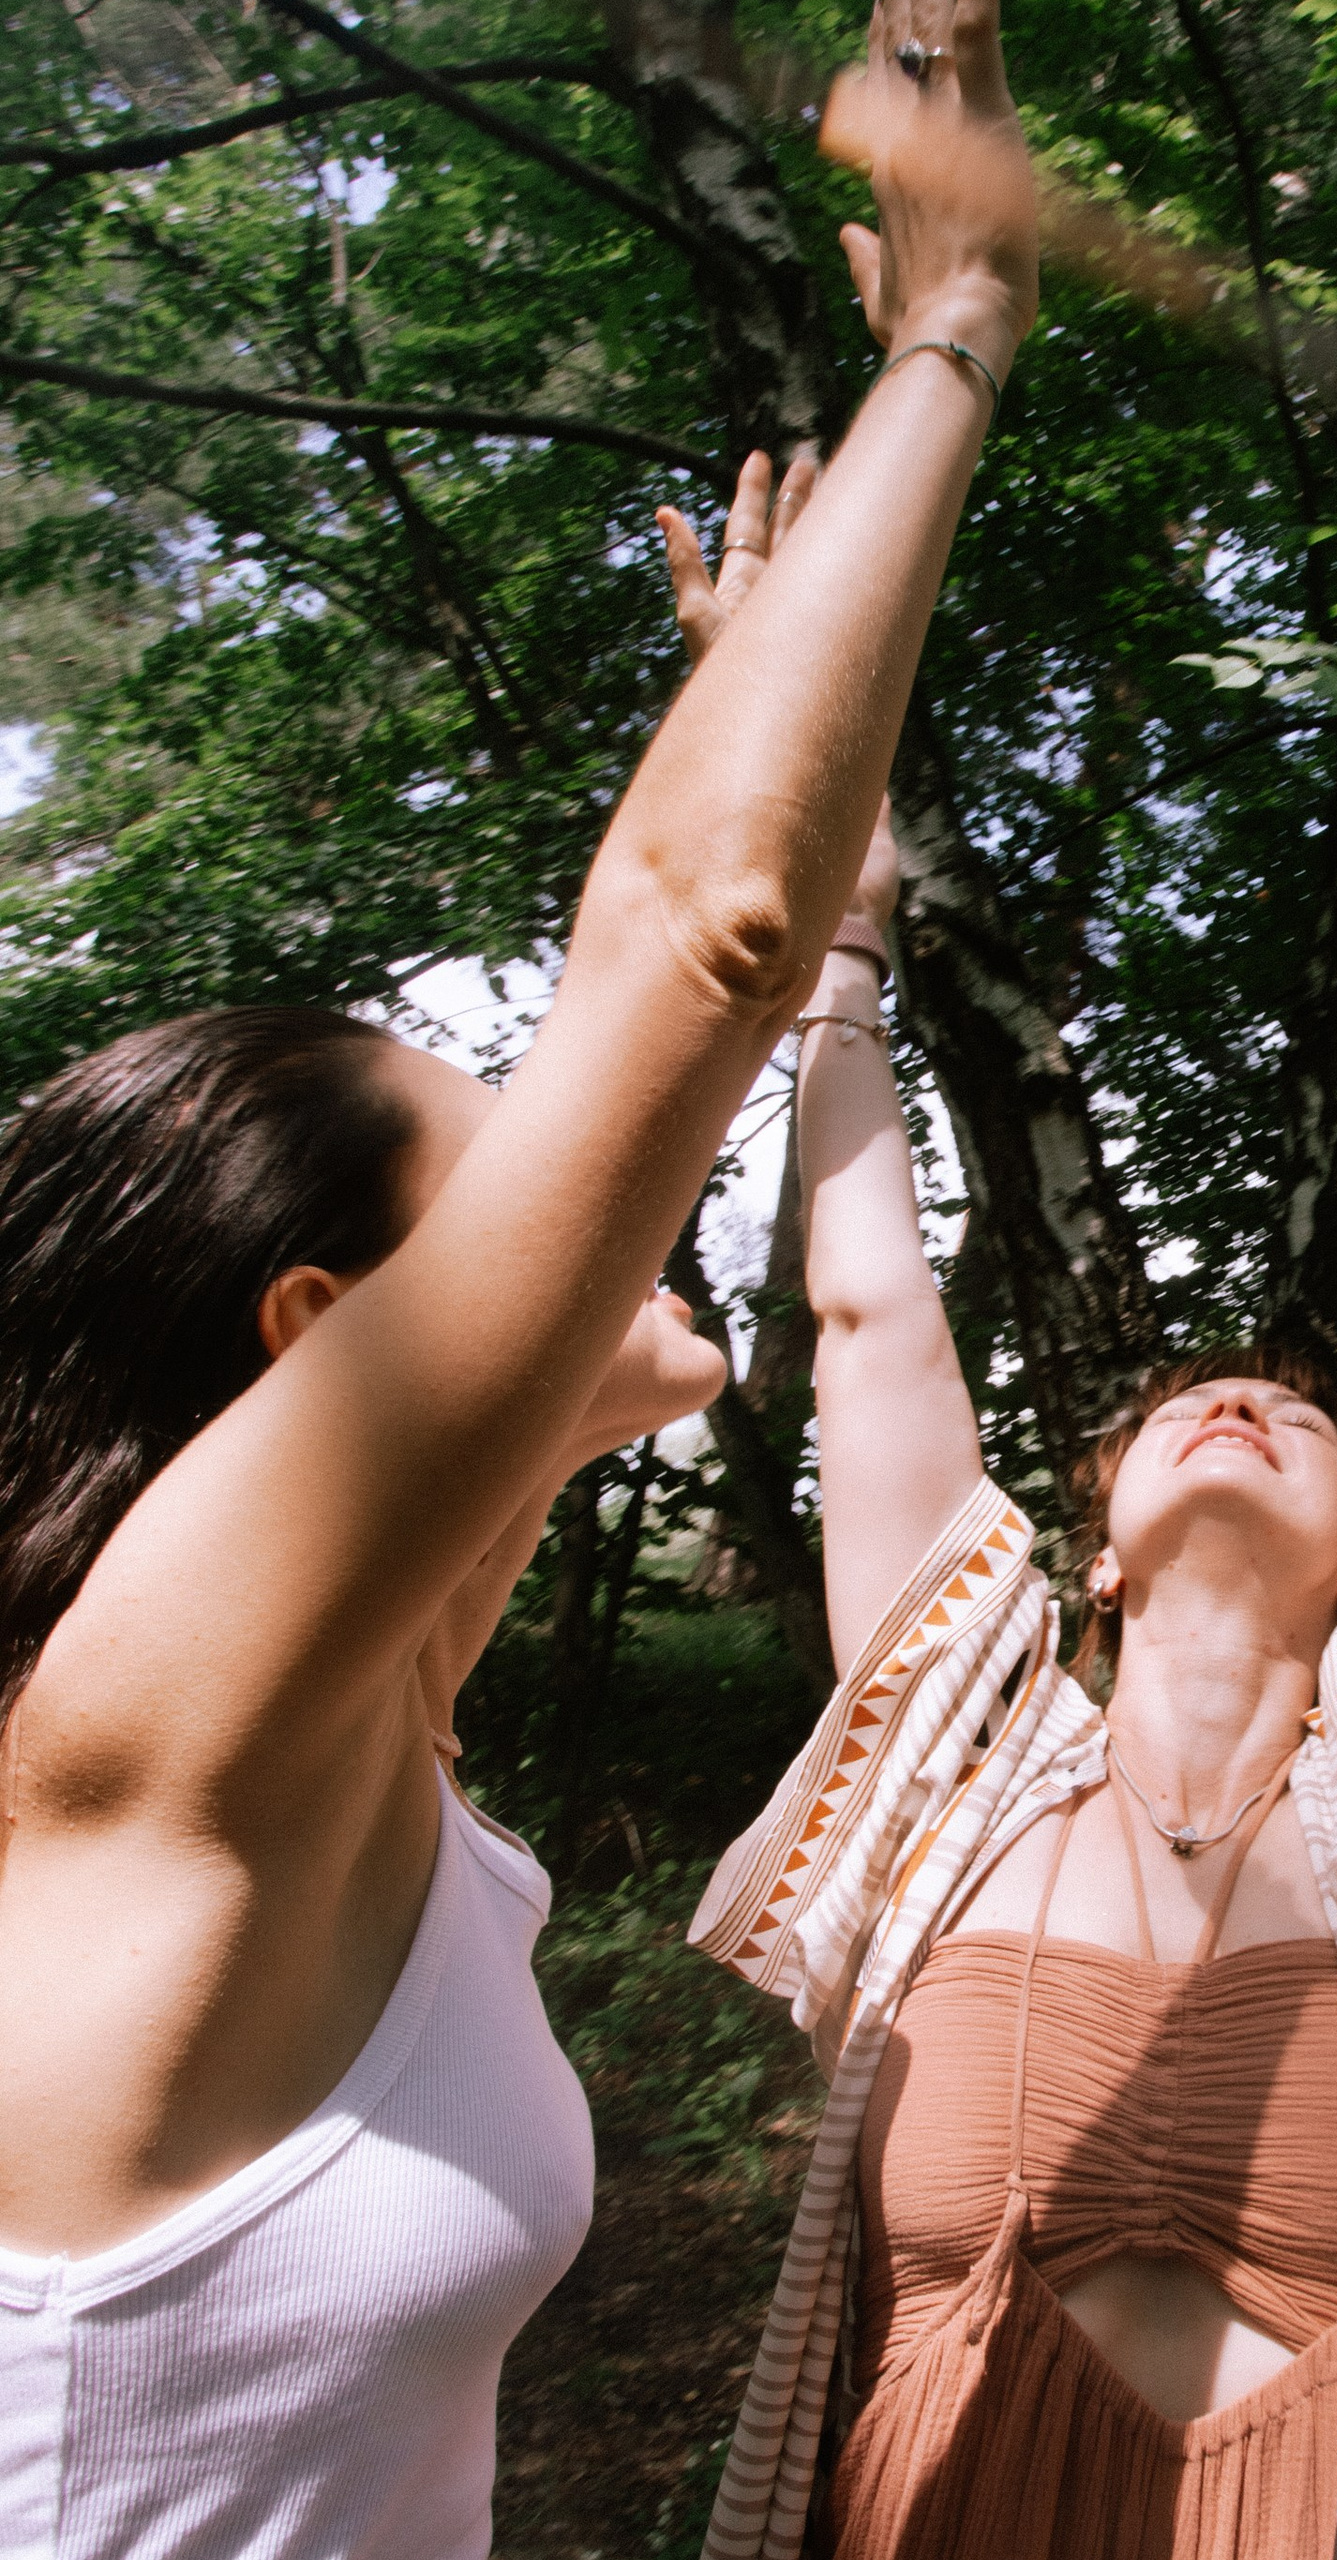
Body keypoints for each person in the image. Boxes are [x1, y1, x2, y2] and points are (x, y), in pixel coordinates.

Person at [0, 11, 1040, 2552]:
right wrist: (955, 323)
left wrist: (737, 700)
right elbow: (687, 943)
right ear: (316, 1347)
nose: (599, 1197)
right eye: (503, 1187)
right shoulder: (157, 1737)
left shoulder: (372, 1734)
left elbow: (685, 934)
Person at [669, 497, 1337, 2555]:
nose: (1240, 1403)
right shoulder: (960, 1764)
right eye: (1179, 1416)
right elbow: (869, 1315)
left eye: (1299, 1418)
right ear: (1102, 1552)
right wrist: (838, 944)